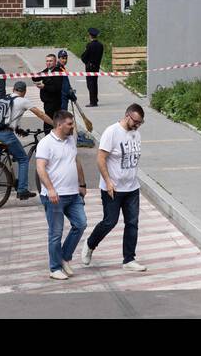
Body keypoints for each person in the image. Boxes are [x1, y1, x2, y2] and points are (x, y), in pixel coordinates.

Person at [83, 104, 146, 272]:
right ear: (127, 116)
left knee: (132, 223)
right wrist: (108, 181)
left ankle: (129, 259)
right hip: (113, 188)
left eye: (140, 123)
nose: (137, 125)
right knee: (110, 221)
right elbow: (101, 158)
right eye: (135, 121)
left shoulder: (136, 134)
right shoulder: (112, 132)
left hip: (132, 188)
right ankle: (90, 244)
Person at [36, 110, 87, 280]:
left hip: (73, 194)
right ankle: (55, 268)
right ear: (59, 125)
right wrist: (50, 189)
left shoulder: (71, 140)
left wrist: (82, 183)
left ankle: (64, 257)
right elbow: (40, 168)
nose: (73, 127)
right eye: (70, 124)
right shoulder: (46, 143)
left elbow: (76, 161)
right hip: (55, 196)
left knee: (81, 224)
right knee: (55, 232)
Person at [0, 80, 49, 201]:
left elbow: (8, 118)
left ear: (13, 89)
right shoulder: (23, 100)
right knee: (23, 159)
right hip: (6, 135)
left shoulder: (4, 99)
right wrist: (55, 124)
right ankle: (22, 190)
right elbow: (40, 114)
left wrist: (19, 130)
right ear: (24, 91)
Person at [34, 53, 65, 118]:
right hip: (47, 101)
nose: (48, 63)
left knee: (50, 122)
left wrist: (44, 87)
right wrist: (33, 75)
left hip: (54, 102)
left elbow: (57, 88)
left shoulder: (57, 72)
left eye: (50, 61)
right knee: (48, 120)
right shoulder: (47, 70)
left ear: (55, 62)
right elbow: (36, 78)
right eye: (47, 61)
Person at [81, 27, 103, 107]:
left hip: (89, 67)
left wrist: (86, 62)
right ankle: (95, 99)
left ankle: (93, 102)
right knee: (95, 83)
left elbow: (83, 56)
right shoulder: (100, 45)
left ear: (90, 35)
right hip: (96, 66)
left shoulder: (89, 45)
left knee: (90, 84)